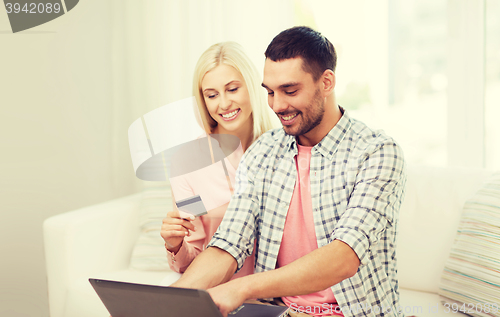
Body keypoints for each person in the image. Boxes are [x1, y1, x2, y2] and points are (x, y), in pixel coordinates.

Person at [171, 26, 406, 317]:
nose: (277, 105)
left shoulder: (376, 152)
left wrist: (242, 288)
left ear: (327, 82)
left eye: (290, 90)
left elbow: (343, 258)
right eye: (270, 92)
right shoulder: (263, 152)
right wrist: (165, 303)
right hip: (279, 312)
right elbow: (229, 244)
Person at [160, 42, 279, 277]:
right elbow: (190, 263)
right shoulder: (189, 163)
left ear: (252, 88)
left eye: (233, 89)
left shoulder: (283, 149)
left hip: (278, 295)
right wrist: (175, 245)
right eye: (212, 95)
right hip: (219, 294)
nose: (223, 104)